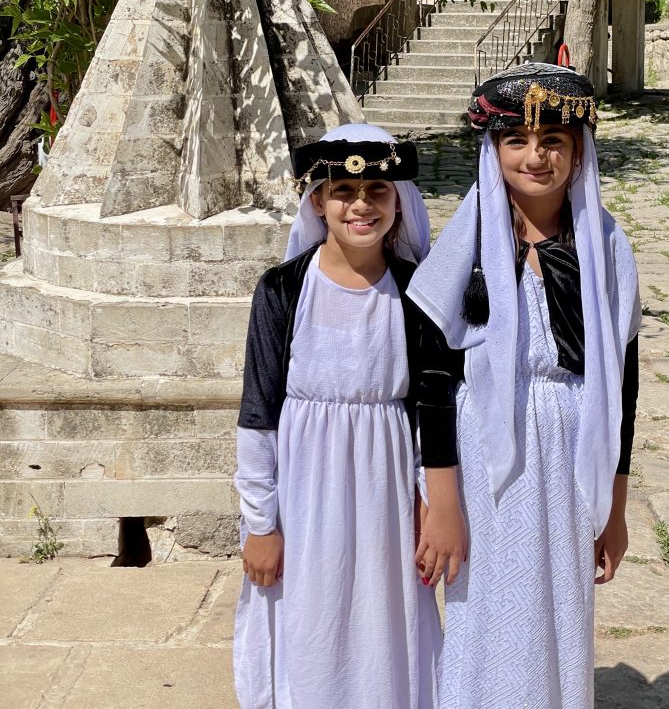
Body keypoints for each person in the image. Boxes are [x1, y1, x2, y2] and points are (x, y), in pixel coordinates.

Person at [408, 63, 641, 709]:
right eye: (517, 140)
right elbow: (433, 378)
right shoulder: (468, 244)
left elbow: (623, 389)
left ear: (578, 150)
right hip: (486, 459)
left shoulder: (606, 247)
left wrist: (616, 509)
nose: (536, 157)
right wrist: (442, 503)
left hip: (572, 454)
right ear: (494, 149)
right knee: (486, 613)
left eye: (553, 141)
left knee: (563, 614)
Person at [233, 122, 464, 709]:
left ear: (399, 201)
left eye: (378, 190)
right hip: (305, 492)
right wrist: (261, 524)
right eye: (343, 191)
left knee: (383, 620)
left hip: (386, 491)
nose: (361, 205)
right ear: (318, 202)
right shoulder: (282, 290)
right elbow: (259, 413)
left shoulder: (417, 293)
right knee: (311, 614)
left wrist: (430, 498)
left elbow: (429, 408)